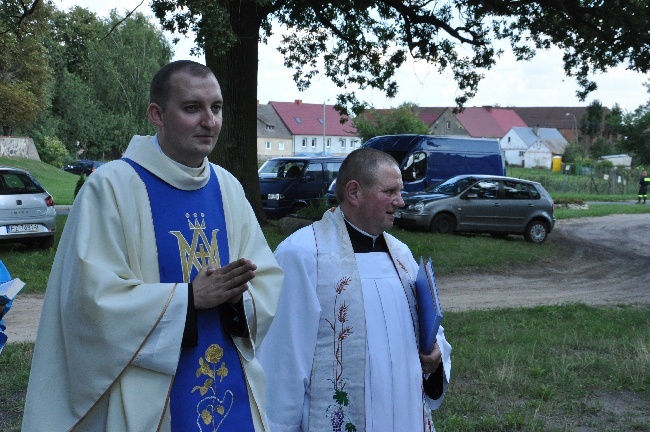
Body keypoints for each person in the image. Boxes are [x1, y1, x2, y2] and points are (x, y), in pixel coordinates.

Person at [22, 60, 283, 431]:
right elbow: (89, 301)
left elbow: (266, 279)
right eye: (192, 108)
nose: (209, 121)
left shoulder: (228, 188)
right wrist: (189, 299)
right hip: (149, 395)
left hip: (227, 379)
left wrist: (237, 294)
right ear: (156, 114)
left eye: (216, 108)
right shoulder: (111, 188)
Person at [258, 148, 451, 432]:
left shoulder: (402, 255)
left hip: (405, 414)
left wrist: (437, 353)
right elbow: (283, 358)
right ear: (353, 192)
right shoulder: (302, 255)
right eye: (390, 192)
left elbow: (430, 328)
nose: (401, 202)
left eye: (401, 191)